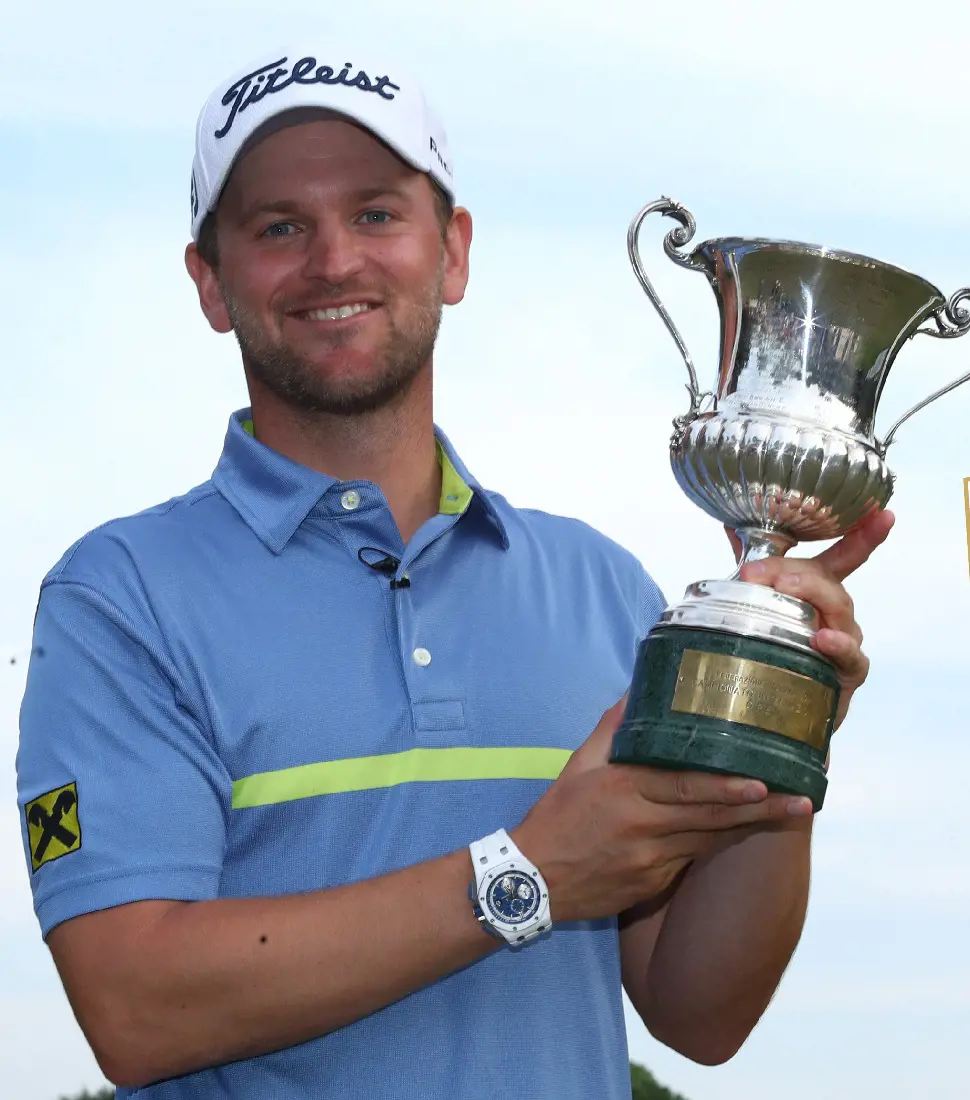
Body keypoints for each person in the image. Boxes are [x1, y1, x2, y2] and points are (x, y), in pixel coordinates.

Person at [15, 44, 891, 1100]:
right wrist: (523, 873)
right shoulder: (118, 595)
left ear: (454, 251)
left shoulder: (602, 585)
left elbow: (699, 1012)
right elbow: (134, 1006)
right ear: (211, 280)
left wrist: (783, 724)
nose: (334, 259)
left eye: (378, 213)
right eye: (279, 226)